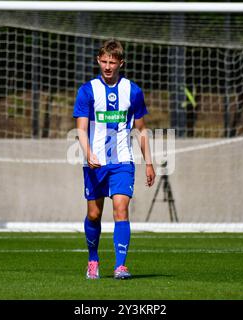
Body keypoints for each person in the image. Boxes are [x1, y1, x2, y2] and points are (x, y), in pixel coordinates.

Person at [73, 39, 156, 280]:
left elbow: (141, 129)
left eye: (113, 62)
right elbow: (80, 128)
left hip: (123, 162)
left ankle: (120, 266)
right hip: (94, 163)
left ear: (121, 63)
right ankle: (93, 259)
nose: (108, 66)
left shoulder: (133, 91)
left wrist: (148, 162)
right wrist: (88, 153)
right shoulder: (87, 91)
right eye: (104, 61)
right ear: (98, 61)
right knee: (94, 215)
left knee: (121, 209)